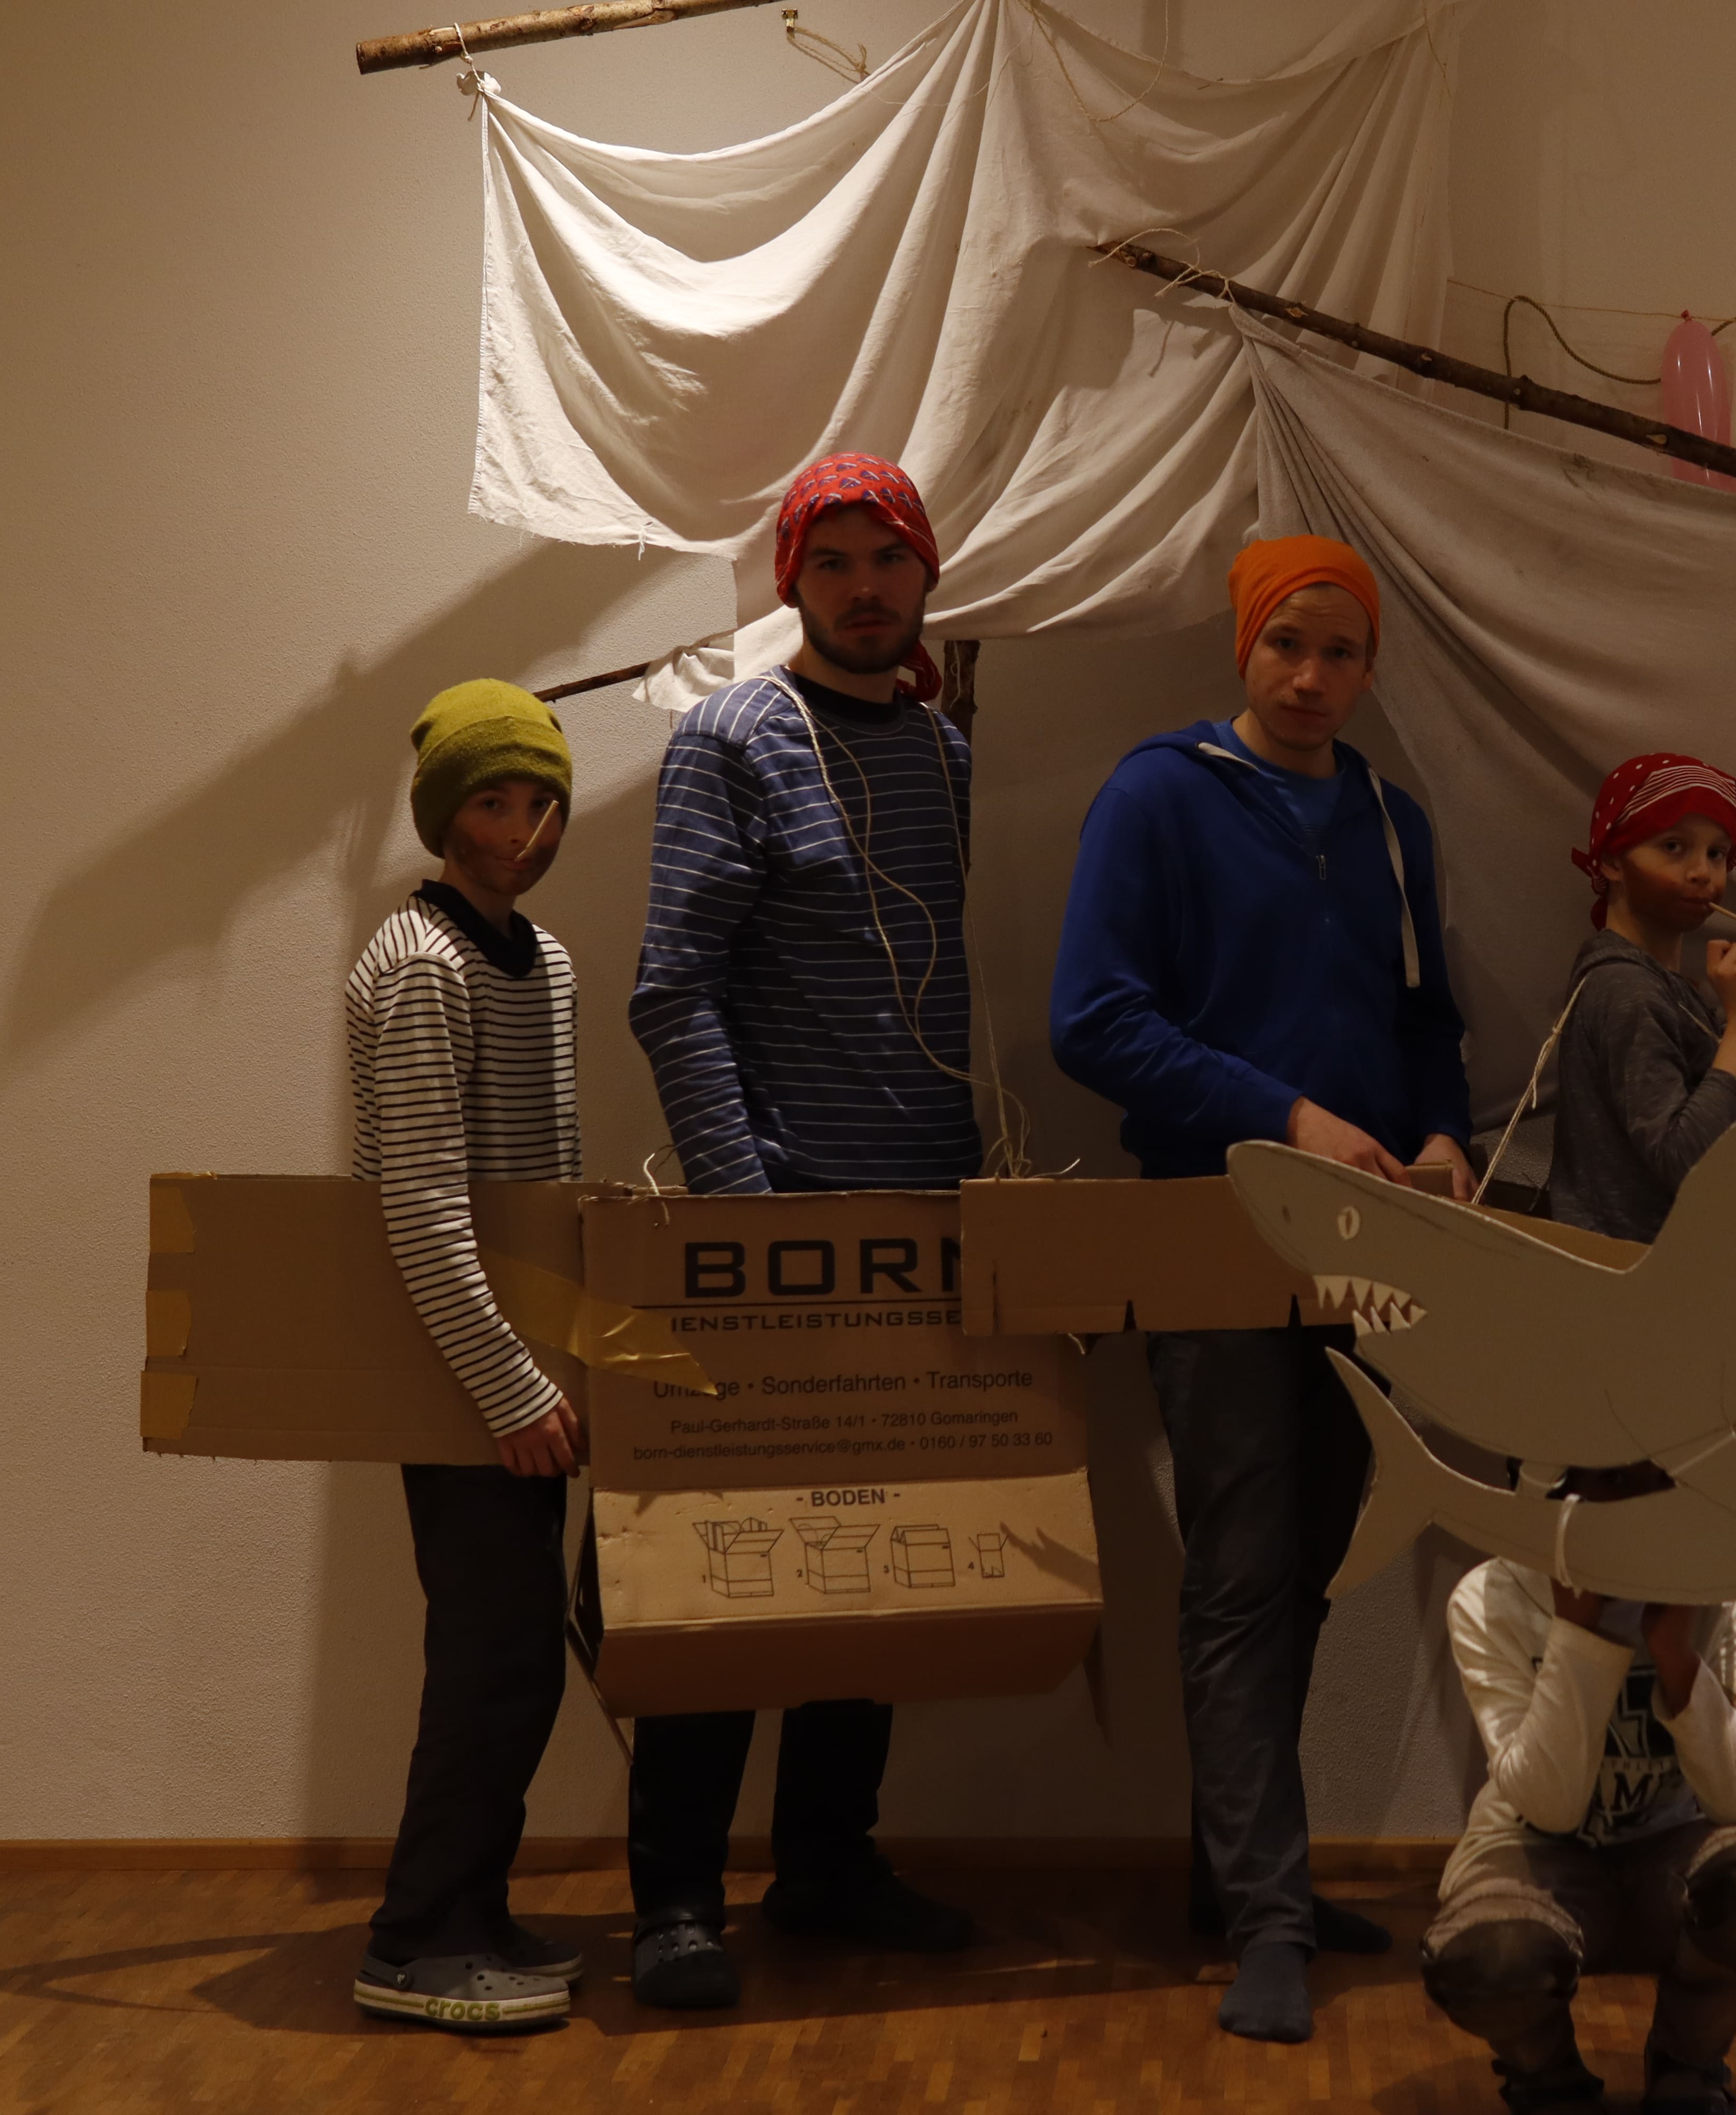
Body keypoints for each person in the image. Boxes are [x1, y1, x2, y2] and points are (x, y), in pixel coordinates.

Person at [1048, 535, 1473, 2042]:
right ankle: (1269, 1920)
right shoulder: (1157, 795)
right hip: (1213, 1232)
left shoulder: (1392, 822)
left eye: (1340, 652)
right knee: (1236, 1572)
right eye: (1288, 644)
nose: (1311, 677)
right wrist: (1285, 1116)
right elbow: (1093, 1020)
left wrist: (1444, 1135)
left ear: (1369, 668)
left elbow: (1428, 1024)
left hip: (1371, 1249)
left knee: (1304, 1564)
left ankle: (1236, 1877)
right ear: (1245, 645)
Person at [617, 453, 982, 2009]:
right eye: (831, 562)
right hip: (774, 1223)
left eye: (885, 558)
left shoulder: (944, 751)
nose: (863, 587)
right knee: (723, 1571)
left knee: (872, 1566)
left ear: (925, 574)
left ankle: (828, 1862)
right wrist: (745, 1218)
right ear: (792, 584)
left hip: (920, 1222)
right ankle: (674, 1898)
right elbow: (671, 989)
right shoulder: (731, 739)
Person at [347, 681, 587, 2033]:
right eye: (492, 801)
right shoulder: (419, 966)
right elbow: (423, 1208)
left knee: (521, 1658)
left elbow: (541, 1202)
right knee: (488, 1657)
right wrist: (508, 1385)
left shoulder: (544, 963)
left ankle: (476, 1908)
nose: (520, 829)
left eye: (541, 802)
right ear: (445, 815)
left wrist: (562, 1363)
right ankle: (414, 1939)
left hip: (531, 1373)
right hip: (466, 1381)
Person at [1417, 1550, 1736, 2114]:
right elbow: (1551, 1809)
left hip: (1676, 1847)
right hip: (1534, 1847)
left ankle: (1687, 2063)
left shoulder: (1724, 1591)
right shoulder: (1490, 1597)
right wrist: (1578, 1636)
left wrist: (1677, 1660)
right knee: (1490, 1959)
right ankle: (1547, 2078)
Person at [1543, 752, 1736, 1256]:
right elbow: (1688, 1161)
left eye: (1717, 854)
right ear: (1611, 861)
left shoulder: (1657, 985)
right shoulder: (1626, 990)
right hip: (1633, 1278)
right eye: (1673, 847)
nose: (1702, 873)